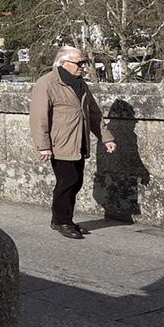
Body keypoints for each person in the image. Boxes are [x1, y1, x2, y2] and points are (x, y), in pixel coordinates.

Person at [29, 46, 116, 239]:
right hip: (60, 143)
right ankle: (61, 221)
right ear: (63, 63)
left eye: (83, 63)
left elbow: (93, 113)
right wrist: (43, 146)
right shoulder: (47, 83)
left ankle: (66, 219)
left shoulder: (80, 84)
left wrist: (106, 138)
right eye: (79, 63)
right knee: (67, 182)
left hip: (80, 141)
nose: (82, 67)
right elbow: (39, 117)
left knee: (76, 182)